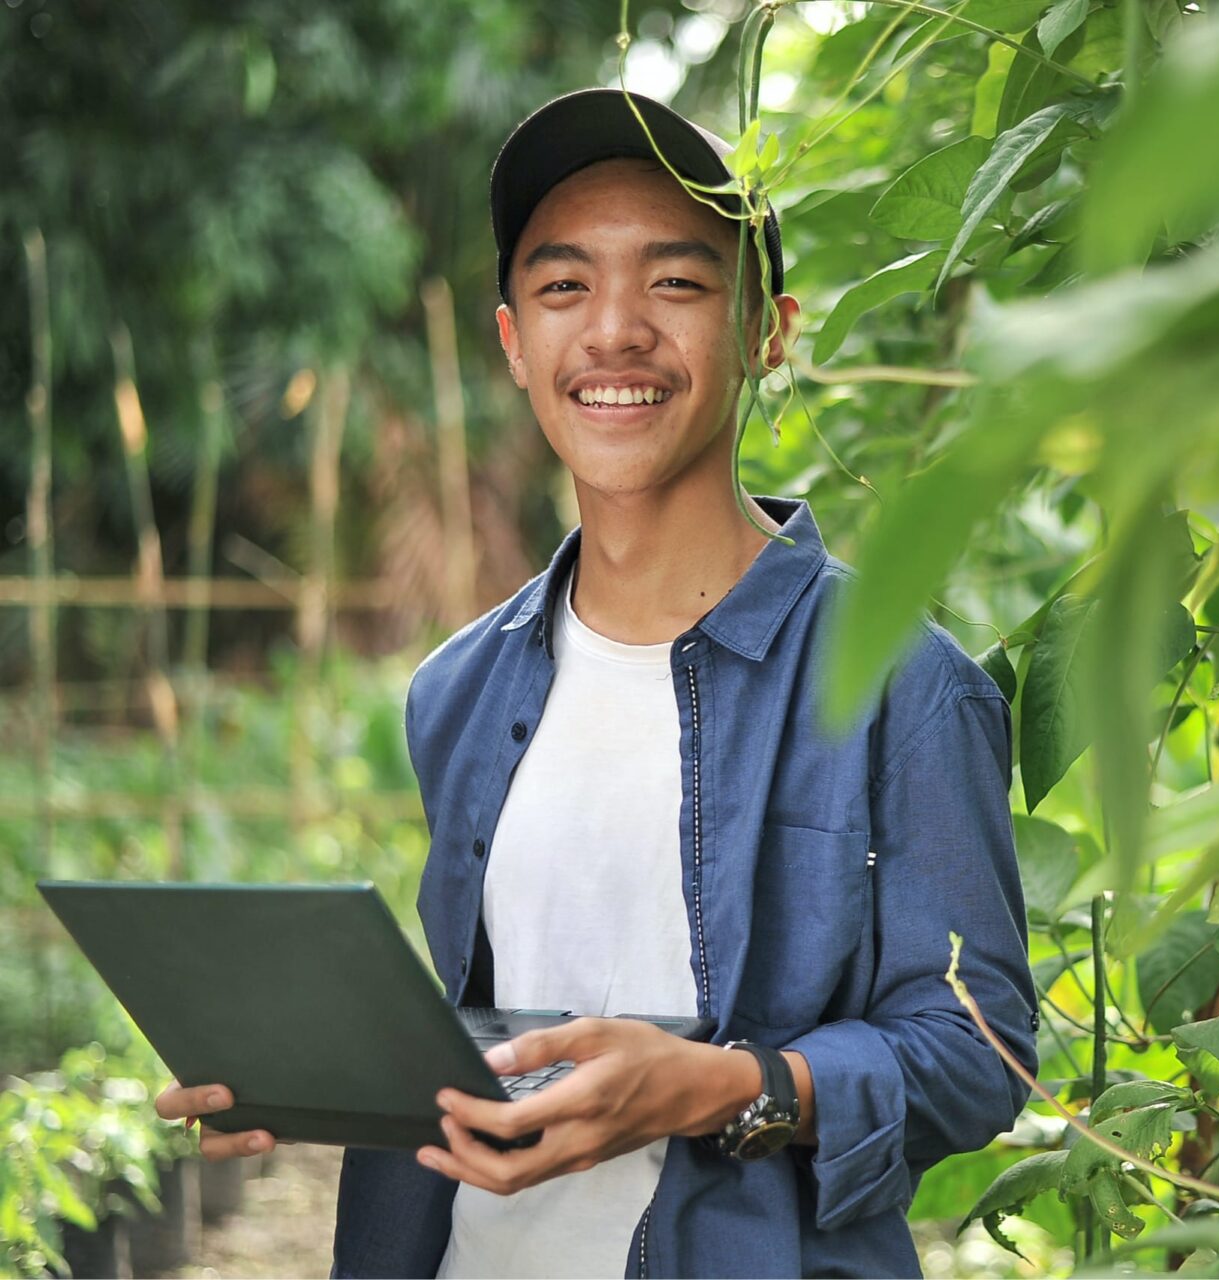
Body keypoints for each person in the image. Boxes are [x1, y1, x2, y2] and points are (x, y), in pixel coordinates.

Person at [154, 87, 1039, 1278]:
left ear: (766, 332)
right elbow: (498, 1031)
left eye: (675, 282)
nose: (615, 330)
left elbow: (979, 1057)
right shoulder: (460, 686)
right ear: (515, 341)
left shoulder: (905, 685)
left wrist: (728, 1085)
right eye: (565, 287)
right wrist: (326, 1076)